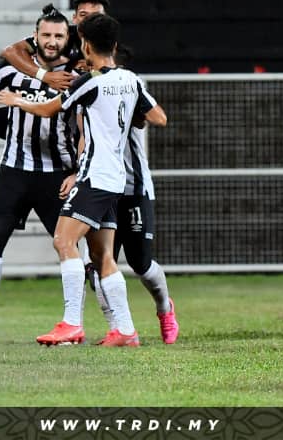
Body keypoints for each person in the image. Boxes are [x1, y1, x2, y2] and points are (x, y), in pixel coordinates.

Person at [0, 13, 167, 347]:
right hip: (118, 178)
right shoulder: (131, 80)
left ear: (85, 45)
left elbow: (50, 109)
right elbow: (158, 117)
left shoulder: (89, 82)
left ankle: (71, 323)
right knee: (103, 256)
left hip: (94, 176)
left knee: (63, 241)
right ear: (114, 45)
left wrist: (16, 100)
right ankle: (126, 330)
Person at [0, 8, 78, 344]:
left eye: (58, 36)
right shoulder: (11, 67)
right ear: (35, 36)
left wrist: (78, 170)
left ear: (67, 38)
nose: (51, 42)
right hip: (15, 172)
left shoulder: (76, 72)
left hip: (57, 174)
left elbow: (85, 126)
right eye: (46, 35)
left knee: (74, 249)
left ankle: (84, 324)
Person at [0, 0, 110, 227]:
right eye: (84, 15)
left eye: (95, 16)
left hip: (69, 119)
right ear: (75, 18)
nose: (52, 41)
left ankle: (80, 180)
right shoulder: (62, 35)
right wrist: (46, 76)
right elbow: (10, 51)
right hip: (32, 112)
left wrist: (90, 72)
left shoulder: (105, 48)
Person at [68, 47, 179, 344]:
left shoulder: (126, 85)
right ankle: (118, 327)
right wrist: (77, 173)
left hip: (133, 188)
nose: (84, 67)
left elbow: (158, 118)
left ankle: (165, 308)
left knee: (141, 263)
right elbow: (84, 140)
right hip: (103, 185)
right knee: (99, 259)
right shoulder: (87, 96)